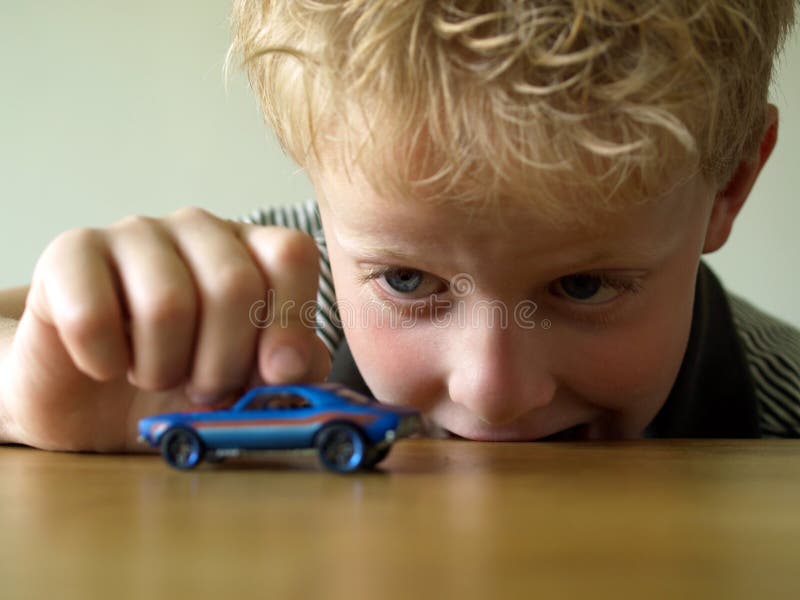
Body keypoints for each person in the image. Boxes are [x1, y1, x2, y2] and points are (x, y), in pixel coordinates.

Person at [0, 1, 798, 452]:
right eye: (407, 281)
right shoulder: (264, 309)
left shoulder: (781, 414)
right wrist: (25, 401)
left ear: (729, 185)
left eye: (582, 285)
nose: (492, 394)